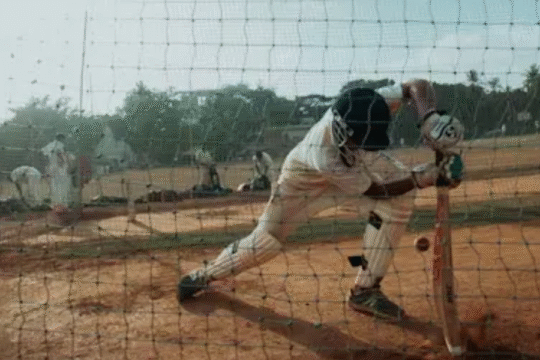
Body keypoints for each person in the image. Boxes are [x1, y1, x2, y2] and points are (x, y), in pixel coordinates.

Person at [177, 79, 464, 320]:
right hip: (302, 185)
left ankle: (365, 291)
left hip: (355, 172)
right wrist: (423, 177)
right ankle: (205, 275)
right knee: (265, 243)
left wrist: (429, 118)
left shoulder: (370, 102)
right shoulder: (324, 153)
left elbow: (417, 85)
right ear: (342, 132)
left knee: (399, 201)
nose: (364, 145)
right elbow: (373, 191)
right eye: (360, 141)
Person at [41, 133, 72, 206]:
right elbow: (59, 153)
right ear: (61, 138)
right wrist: (66, 163)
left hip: (51, 167)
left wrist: (47, 164)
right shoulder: (60, 144)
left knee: (54, 185)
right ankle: (63, 203)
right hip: (60, 167)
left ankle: (55, 203)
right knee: (63, 184)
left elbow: (42, 153)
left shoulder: (50, 145)